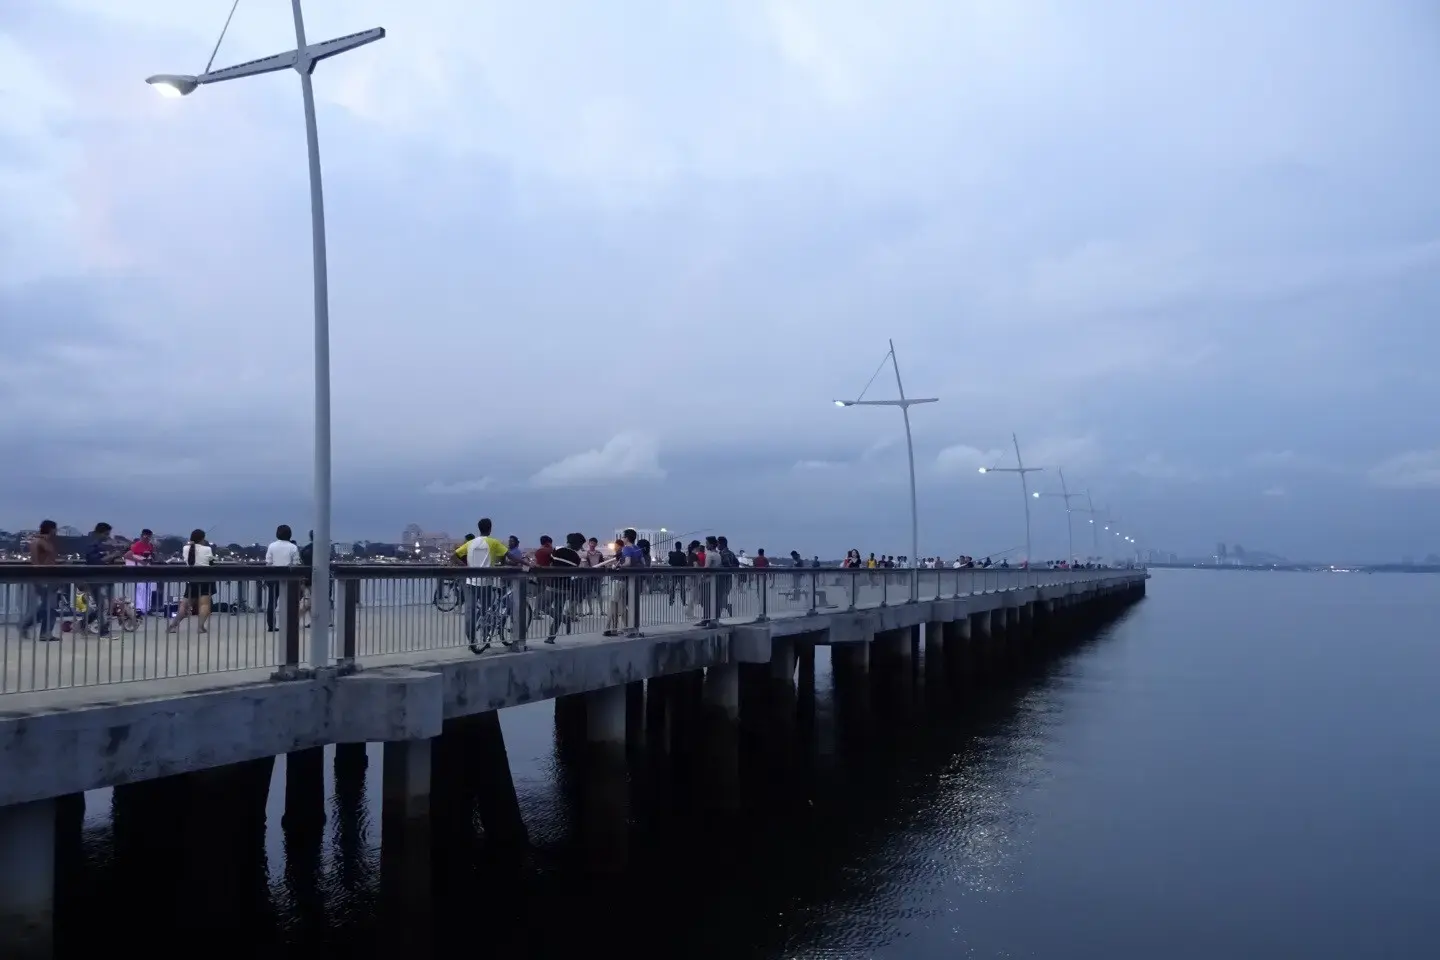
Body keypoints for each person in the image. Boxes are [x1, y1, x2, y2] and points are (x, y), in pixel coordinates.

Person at [453, 518, 515, 652]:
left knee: (470, 611)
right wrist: (528, 564)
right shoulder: (493, 542)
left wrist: (465, 567)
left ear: (478, 528)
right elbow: (510, 556)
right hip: (486, 583)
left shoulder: (470, 543)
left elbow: (454, 556)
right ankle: (486, 638)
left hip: (470, 582)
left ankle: (472, 642)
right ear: (490, 528)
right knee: (487, 612)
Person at [168, 529, 215, 633]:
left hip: (191, 579)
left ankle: (173, 625)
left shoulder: (185, 548)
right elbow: (211, 562)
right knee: (204, 604)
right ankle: (200, 627)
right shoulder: (207, 549)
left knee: (185, 604)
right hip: (205, 578)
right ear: (202, 538)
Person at [19, 520, 59, 641]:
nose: (57, 531)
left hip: (51, 577)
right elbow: (35, 562)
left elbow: (49, 559)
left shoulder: (47, 542)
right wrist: (38, 577)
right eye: (55, 529)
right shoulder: (37, 542)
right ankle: (27, 626)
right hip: (43, 577)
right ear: (51, 529)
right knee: (48, 607)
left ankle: (43, 632)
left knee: (48, 607)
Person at [540, 532, 583, 644]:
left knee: (543, 606)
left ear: (568, 542)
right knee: (559, 608)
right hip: (566, 586)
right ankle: (551, 637)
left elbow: (551, 565)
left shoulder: (558, 551)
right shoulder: (577, 558)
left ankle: (564, 619)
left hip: (553, 583)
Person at [83, 522, 123, 639]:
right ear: (98, 533)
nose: (107, 536)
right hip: (95, 579)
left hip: (103, 578)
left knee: (103, 606)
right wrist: (112, 555)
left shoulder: (100, 545)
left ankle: (84, 624)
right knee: (102, 606)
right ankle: (103, 631)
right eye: (106, 534)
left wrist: (114, 556)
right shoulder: (92, 546)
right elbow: (95, 562)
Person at [264, 524, 301, 633]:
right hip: (289, 577)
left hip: (273, 576)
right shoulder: (293, 547)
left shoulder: (272, 546)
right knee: (291, 602)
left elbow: (268, 562)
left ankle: (271, 625)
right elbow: (296, 563)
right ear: (290, 534)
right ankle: (291, 623)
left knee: (272, 602)